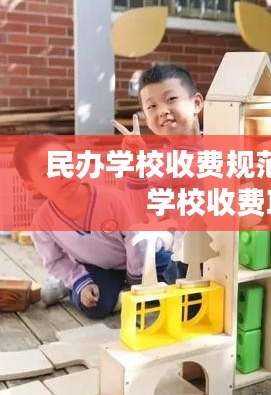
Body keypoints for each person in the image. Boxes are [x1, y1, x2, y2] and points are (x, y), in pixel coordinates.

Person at [13, 135, 172, 318]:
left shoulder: (112, 199)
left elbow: (137, 240)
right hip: (100, 267)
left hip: (148, 258)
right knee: (94, 305)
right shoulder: (42, 222)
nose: (62, 173)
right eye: (49, 172)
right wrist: (81, 282)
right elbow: (55, 260)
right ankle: (69, 284)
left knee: (180, 280)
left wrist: (135, 279)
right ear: (31, 186)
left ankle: (121, 289)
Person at [112, 64, 205, 278]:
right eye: (152, 106)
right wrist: (136, 168)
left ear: (197, 103)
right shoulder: (161, 163)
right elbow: (142, 215)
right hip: (188, 262)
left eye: (171, 99)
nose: (162, 110)